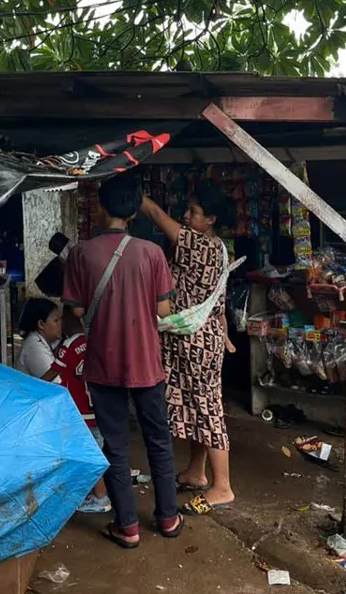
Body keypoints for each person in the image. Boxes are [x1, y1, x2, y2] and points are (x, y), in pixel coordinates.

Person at [63, 174, 182, 548]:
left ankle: (127, 526)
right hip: (146, 362)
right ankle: (168, 518)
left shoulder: (81, 253)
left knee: (114, 444)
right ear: (133, 213)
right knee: (158, 439)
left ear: (102, 208)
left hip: (103, 364)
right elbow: (164, 310)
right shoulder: (152, 253)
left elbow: (76, 309)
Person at [139, 184, 237, 516]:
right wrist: (224, 336)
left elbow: (155, 214)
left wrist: (133, 193)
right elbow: (219, 305)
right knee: (199, 406)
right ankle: (197, 472)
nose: (185, 216)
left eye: (193, 212)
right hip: (203, 339)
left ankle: (222, 486)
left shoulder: (197, 244)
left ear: (210, 219)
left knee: (208, 409)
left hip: (196, 343)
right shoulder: (219, 248)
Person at [15, 299, 111, 513]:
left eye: (60, 320)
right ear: (41, 324)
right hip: (38, 413)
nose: (60, 325)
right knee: (86, 449)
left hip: (56, 411)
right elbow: (55, 383)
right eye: (55, 320)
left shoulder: (61, 345)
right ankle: (98, 495)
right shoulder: (35, 346)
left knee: (88, 449)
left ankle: (98, 494)